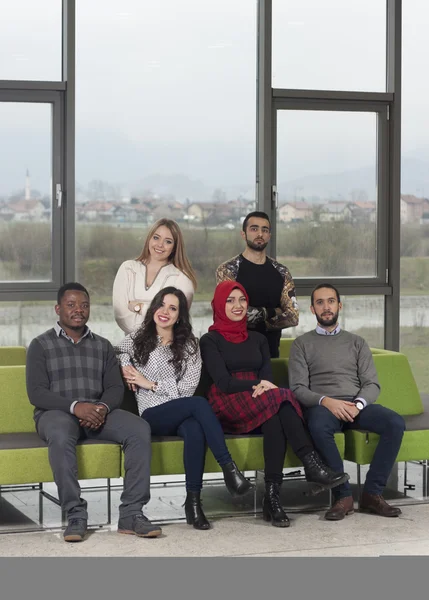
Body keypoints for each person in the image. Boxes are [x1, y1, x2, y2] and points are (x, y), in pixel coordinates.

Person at [199, 281, 349, 528]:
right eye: (230, 300)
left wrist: (265, 386)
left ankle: (272, 497)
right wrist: (261, 385)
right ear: (218, 304)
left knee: (276, 417)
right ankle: (310, 463)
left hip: (262, 397)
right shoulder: (210, 340)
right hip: (228, 401)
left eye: (242, 300)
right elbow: (224, 383)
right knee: (284, 396)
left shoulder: (258, 339)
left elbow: (267, 377)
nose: (238, 306)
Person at [26, 282, 162, 542]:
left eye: (84, 305)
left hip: (99, 413)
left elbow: (113, 388)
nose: (79, 310)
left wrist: (101, 407)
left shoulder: (102, 346)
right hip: (56, 414)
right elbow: (37, 393)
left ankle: (132, 514)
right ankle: (75, 514)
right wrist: (76, 407)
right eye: (71, 305)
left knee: (139, 428)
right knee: (60, 430)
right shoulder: (40, 345)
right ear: (58, 309)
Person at [115, 286, 253, 531]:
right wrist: (128, 369)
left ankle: (194, 503)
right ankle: (229, 469)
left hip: (180, 409)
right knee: (199, 405)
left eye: (172, 308)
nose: (165, 312)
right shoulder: (139, 337)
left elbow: (188, 388)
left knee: (194, 429)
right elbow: (117, 351)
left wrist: (151, 384)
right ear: (154, 307)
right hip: (151, 413)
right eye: (161, 305)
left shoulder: (190, 345)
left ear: (180, 315)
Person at [288, 283, 406, 521]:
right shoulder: (301, 344)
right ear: (312, 309)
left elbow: (372, 384)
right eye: (320, 302)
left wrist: (358, 405)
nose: (326, 307)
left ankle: (373, 494)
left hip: (356, 406)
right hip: (324, 408)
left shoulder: (357, 342)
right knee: (318, 426)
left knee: (394, 422)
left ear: (339, 305)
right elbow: (298, 388)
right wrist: (328, 402)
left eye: (331, 301)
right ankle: (343, 496)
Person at [216, 211, 298, 358]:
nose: (259, 234)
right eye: (254, 229)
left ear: (269, 235)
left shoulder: (281, 271)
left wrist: (258, 320)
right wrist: (275, 311)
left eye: (264, 230)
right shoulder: (228, 270)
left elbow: (293, 316)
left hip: (270, 352)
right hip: (234, 352)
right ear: (243, 234)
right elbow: (230, 314)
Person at [113, 218, 197, 335]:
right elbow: (120, 315)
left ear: (175, 247)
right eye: (156, 238)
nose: (160, 245)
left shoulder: (183, 278)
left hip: (166, 348)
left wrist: (139, 308)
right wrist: (156, 313)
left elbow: (176, 320)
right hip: (129, 347)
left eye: (168, 241)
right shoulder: (127, 268)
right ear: (149, 239)